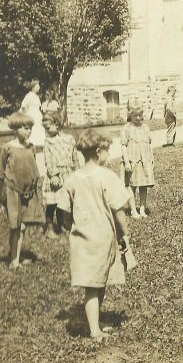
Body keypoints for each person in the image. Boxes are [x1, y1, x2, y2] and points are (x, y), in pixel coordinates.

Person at [57, 129, 132, 341]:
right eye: (108, 151)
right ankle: (94, 330)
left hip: (81, 240)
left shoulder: (72, 179)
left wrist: (69, 226)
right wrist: (124, 234)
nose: (108, 155)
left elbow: (64, 212)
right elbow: (119, 210)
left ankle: (95, 320)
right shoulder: (107, 177)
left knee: (96, 281)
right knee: (93, 286)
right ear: (99, 152)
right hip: (103, 238)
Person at [0, 111, 43, 270]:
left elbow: (32, 168)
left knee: (22, 226)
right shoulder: (7, 148)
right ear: (15, 128)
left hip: (28, 193)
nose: (29, 131)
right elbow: (1, 174)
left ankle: (16, 255)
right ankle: (14, 261)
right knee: (16, 226)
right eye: (25, 128)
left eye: (30, 128)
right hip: (12, 192)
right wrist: (1, 199)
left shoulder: (31, 147)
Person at [42, 112, 81, 238]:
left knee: (64, 202)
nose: (46, 131)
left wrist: (78, 172)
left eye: (48, 128)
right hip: (55, 176)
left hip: (68, 174)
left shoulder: (69, 139)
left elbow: (74, 157)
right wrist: (53, 175)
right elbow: (48, 160)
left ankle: (63, 225)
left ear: (57, 125)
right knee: (52, 202)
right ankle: (49, 228)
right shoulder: (48, 142)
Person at [120, 104, 155, 218]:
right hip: (132, 161)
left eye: (140, 115)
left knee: (143, 185)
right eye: (135, 116)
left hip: (145, 160)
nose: (138, 118)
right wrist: (126, 161)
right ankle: (133, 210)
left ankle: (142, 209)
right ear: (130, 116)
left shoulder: (145, 127)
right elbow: (124, 146)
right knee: (132, 185)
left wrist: (151, 158)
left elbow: (149, 144)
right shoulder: (126, 128)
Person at [20, 80, 45, 148]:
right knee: (33, 128)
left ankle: (38, 144)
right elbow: (24, 106)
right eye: (37, 86)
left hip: (37, 115)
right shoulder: (29, 95)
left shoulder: (36, 96)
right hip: (32, 115)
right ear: (33, 87)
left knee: (38, 127)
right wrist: (26, 116)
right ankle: (32, 143)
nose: (39, 87)